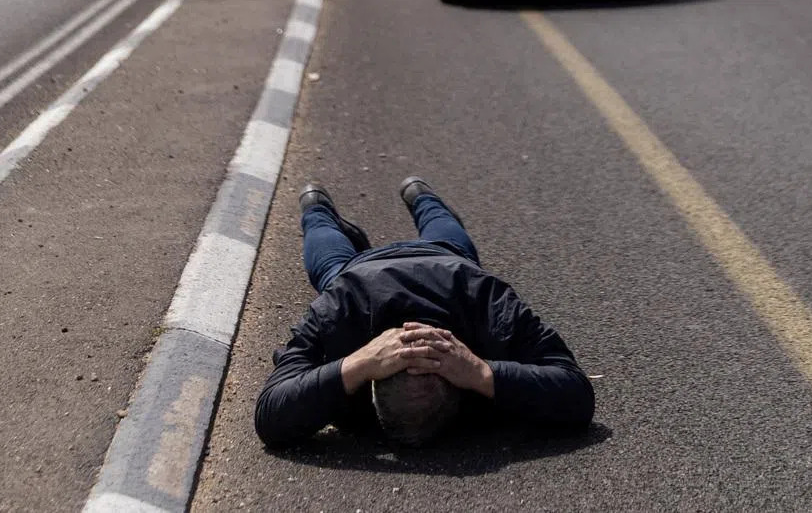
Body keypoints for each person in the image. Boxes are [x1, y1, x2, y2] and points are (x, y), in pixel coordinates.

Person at [254, 177, 595, 449]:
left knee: (330, 266)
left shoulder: (341, 308)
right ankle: (411, 196)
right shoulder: (484, 301)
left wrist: (351, 366)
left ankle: (323, 207)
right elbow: (574, 393)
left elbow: (272, 414)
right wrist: (482, 373)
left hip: (373, 271)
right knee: (444, 242)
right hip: (438, 261)